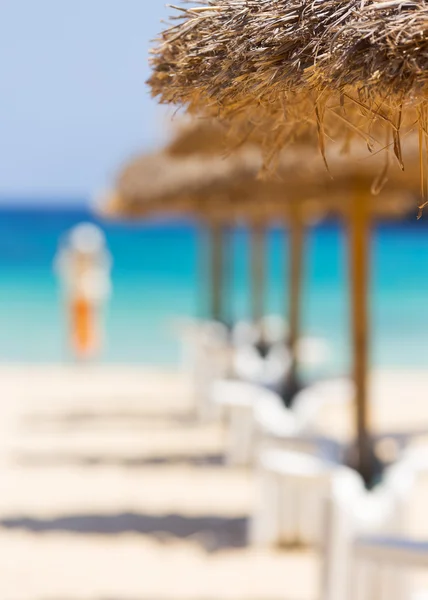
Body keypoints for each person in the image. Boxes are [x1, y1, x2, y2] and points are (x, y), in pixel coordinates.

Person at [54, 222, 112, 361]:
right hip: (80, 295)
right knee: (78, 326)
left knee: (91, 326)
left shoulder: (95, 264)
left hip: (88, 295)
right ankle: (81, 356)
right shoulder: (91, 261)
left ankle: (87, 356)